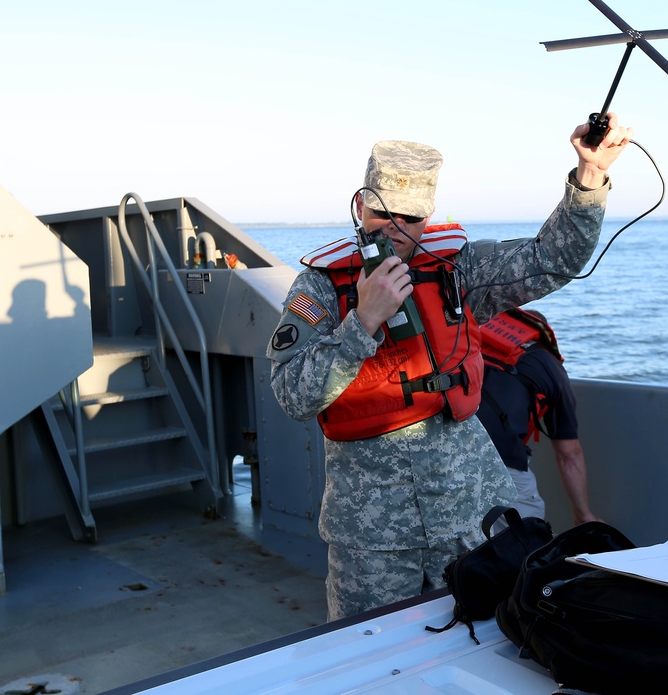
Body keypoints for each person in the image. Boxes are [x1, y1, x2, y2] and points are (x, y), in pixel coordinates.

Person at [266, 113, 633, 620]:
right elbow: (292, 396)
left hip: (467, 515)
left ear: (430, 216)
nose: (395, 231)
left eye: (410, 218)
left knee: (477, 642)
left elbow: (553, 259)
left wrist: (589, 177)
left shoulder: (457, 271)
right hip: (371, 534)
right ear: (359, 205)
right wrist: (363, 322)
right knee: (370, 661)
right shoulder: (319, 290)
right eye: (383, 213)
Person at [477, 307, 598, 527]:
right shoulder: (550, 368)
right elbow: (569, 455)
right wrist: (584, 514)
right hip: (502, 460)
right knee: (528, 530)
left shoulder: (471, 342)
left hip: (446, 451)